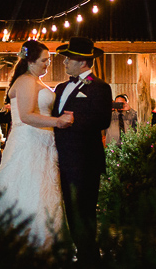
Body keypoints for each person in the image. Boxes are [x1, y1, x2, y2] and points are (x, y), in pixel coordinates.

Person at [0, 40, 74, 249]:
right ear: (31, 61)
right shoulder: (26, 81)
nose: (48, 64)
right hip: (29, 141)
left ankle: (46, 244)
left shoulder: (35, 81)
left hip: (43, 143)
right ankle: (28, 245)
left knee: (44, 191)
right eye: (44, 60)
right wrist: (58, 121)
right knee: (30, 190)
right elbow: (26, 115)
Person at [52, 37, 113, 264]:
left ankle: (89, 257)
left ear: (83, 62)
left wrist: (75, 119)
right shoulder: (60, 87)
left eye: (69, 58)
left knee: (84, 211)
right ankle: (79, 252)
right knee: (69, 209)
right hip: (61, 158)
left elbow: (103, 119)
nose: (65, 62)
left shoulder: (100, 88)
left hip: (85, 160)